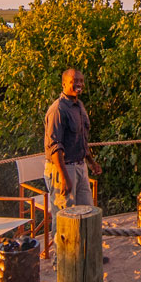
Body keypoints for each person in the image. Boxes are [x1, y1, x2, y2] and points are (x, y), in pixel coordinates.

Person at [43, 67, 92, 214]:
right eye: (74, 81)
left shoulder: (79, 106)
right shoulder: (57, 110)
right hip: (63, 168)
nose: (79, 84)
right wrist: (64, 177)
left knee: (87, 211)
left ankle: (85, 238)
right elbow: (55, 147)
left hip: (80, 166)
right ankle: (59, 238)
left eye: (81, 81)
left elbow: (81, 138)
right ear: (64, 84)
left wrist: (91, 161)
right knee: (65, 214)